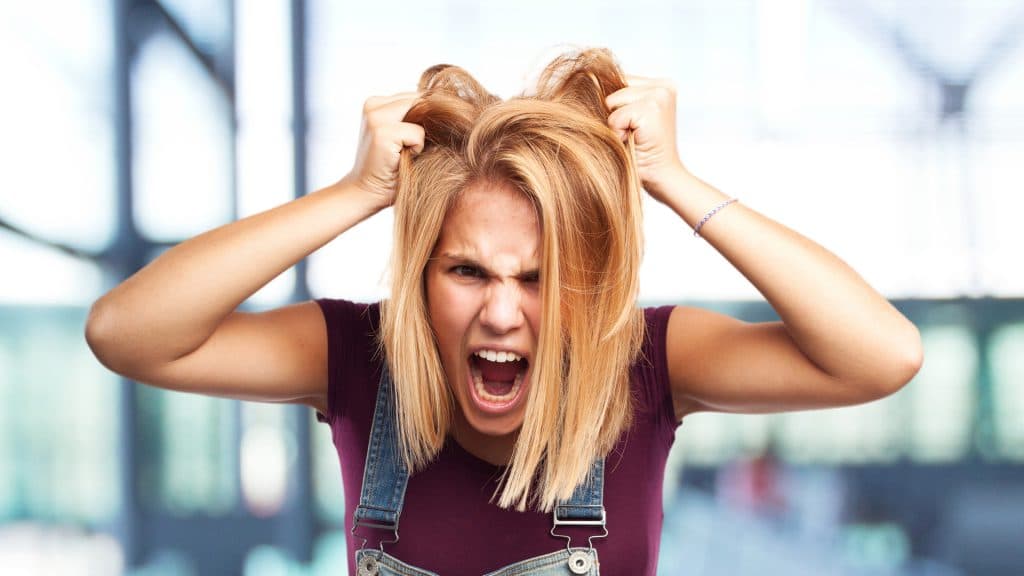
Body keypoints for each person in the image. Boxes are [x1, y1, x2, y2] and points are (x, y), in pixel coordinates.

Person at [85, 48, 923, 575]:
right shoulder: (356, 357)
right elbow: (126, 334)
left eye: (539, 277)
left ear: (588, 287)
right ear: (421, 277)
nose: (500, 311)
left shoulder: (646, 361)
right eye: (466, 271)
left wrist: (674, 180)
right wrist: (352, 194)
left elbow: (883, 355)